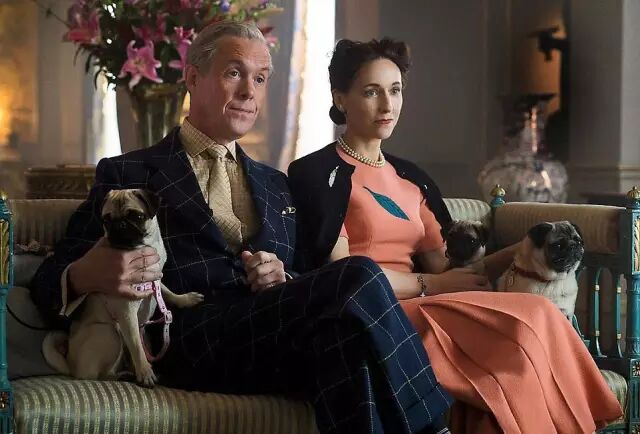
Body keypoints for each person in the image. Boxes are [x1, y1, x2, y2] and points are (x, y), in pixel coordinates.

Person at [29, 22, 453, 434]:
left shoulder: (277, 184)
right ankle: (436, 428)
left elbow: (311, 279)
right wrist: (88, 273)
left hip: (266, 340)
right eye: (234, 73)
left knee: (345, 342)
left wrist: (283, 277)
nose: (250, 91)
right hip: (186, 339)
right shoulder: (129, 173)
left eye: (261, 78)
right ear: (193, 78)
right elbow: (46, 283)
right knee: (358, 272)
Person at [288, 37, 623, 433]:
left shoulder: (410, 177)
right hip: (378, 317)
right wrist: (432, 285)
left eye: (395, 90)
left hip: (431, 302)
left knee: (524, 338)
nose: (387, 105)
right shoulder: (317, 172)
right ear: (340, 98)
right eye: (371, 92)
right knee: (531, 316)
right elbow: (344, 275)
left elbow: (450, 271)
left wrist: (519, 250)